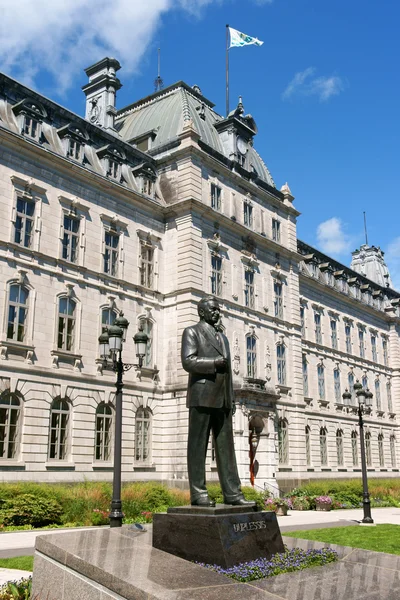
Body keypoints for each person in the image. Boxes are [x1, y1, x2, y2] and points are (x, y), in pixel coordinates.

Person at [181, 296, 255, 507]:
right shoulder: (192, 332)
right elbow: (188, 361)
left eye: (218, 310)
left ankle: (232, 493)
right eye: (213, 309)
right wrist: (213, 363)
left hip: (222, 399)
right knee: (198, 446)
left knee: (226, 449)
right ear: (202, 312)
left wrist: (230, 399)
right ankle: (198, 493)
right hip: (201, 396)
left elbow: (229, 372)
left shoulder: (223, 338)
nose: (217, 313)